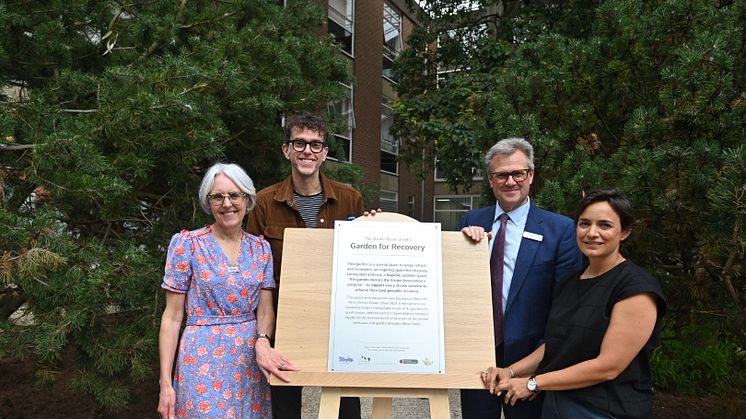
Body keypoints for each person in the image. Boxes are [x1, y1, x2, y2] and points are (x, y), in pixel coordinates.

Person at [482, 190, 667, 419]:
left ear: (625, 232)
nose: (592, 233)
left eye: (605, 225)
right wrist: (509, 371)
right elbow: (556, 345)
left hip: (604, 411)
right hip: (556, 405)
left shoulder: (636, 288)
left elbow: (608, 367)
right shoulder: (572, 281)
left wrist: (534, 383)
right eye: (584, 224)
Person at [157, 163, 298, 419]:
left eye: (234, 195)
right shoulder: (187, 245)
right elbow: (172, 317)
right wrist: (165, 383)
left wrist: (263, 341)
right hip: (200, 361)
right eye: (217, 197)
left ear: (247, 199)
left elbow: (265, 308)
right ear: (208, 202)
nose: (227, 203)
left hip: (249, 361)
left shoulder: (261, 249)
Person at [246, 112, 364, 419]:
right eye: (299, 143)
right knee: (284, 402)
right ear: (286, 149)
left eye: (315, 144)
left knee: (345, 404)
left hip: (339, 319)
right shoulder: (264, 202)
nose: (307, 151)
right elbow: (254, 270)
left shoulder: (350, 199)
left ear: (325, 153)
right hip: (286, 319)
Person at [459, 137, 583, 419]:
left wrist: (539, 373)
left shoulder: (560, 230)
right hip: (478, 357)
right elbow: (457, 288)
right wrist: (463, 248)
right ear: (491, 180)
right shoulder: (471, 222)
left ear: (531, 176)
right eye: (502, 175)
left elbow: (564, 308)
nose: (510, 181)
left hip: (530, 361)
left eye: (518, 173)